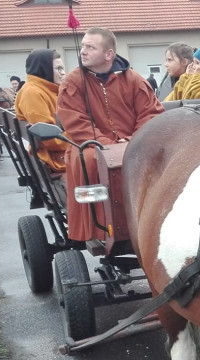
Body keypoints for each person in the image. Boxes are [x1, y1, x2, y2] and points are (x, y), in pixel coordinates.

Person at [56, 26, 163, 242]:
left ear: (108, 55)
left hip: (133, 141)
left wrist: (132, 141)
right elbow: (75, 122)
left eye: (90, 47)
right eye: (83, 46)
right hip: (88, 145)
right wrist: (108, 145)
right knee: (90, 160)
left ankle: (154, 219)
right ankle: (103, 229)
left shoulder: (133, 79)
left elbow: (151, 113)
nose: (83, 51)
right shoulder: (73, 82)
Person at [15, 49, 68, 173]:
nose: (63, 73)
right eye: (58, 69)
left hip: (57, 153)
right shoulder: (32, 93)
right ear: (44, 69)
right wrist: (80, 139)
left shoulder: (46, 89)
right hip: (53, 158)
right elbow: (49, 139)